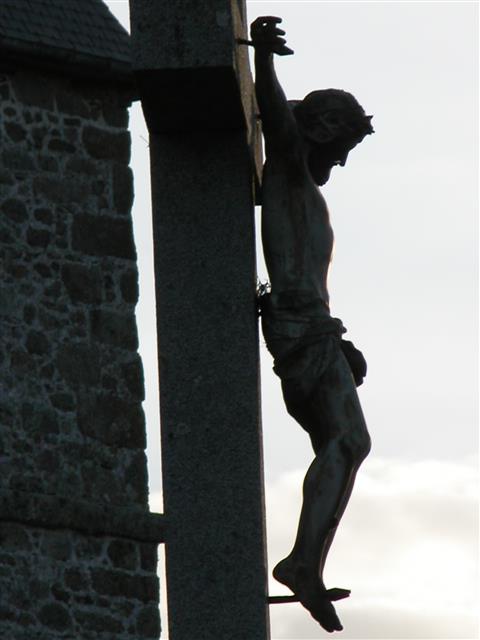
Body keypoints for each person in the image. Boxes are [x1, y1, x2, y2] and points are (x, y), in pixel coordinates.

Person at [251, 16, 373, 633]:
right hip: (300, 328)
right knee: (350, 441)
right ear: (321, 131)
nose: (342, 162)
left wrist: (340, 342)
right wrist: (265, 60)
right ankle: (301, 563)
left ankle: (306, 562)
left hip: (313, 330)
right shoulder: (290, 169)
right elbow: (277, 121)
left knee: (343, 444)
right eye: (342, 147)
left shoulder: (303, 186)